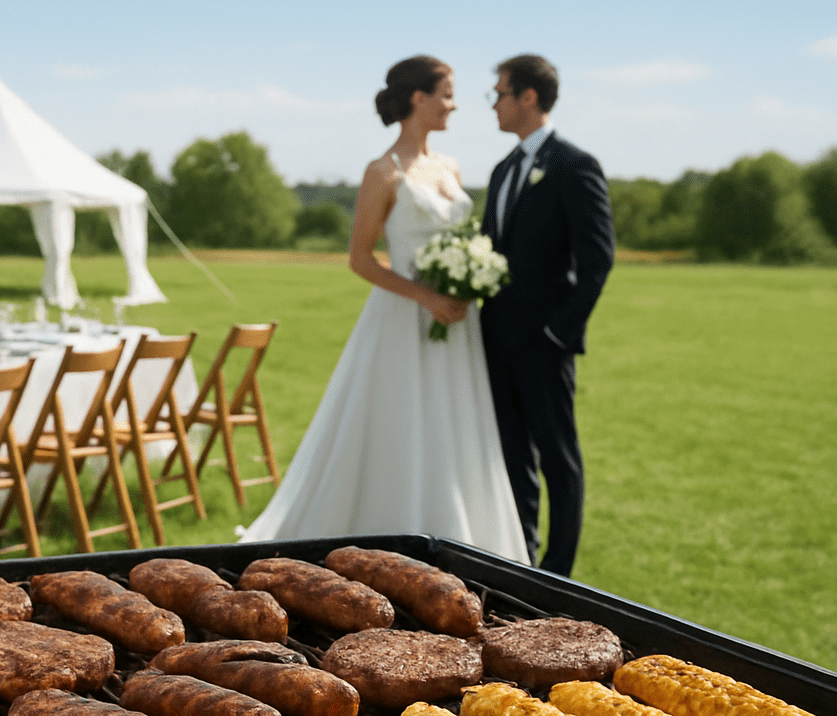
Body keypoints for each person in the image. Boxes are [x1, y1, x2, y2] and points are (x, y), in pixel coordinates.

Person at [239, 56, 528, 562]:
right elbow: (360, 259)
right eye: (446, 94)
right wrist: (425, 296)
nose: (454, 105)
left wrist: (467, 279)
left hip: (457, 326)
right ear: (418, 98)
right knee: (402, 423)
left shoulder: (451, 166)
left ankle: (463, 542)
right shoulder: (382, 173)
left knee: (457, 428)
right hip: (403, 319)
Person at [479, 54, 615, 577]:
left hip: (545, 343)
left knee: (558, 457)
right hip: (495, 340)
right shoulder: (502, 170)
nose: (493, 104)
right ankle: (523, 562)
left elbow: (597, 258)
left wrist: (559, 332)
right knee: (513, 456)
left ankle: (558, 573)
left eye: (499, 93)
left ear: (528, 96)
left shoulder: (574, 165)